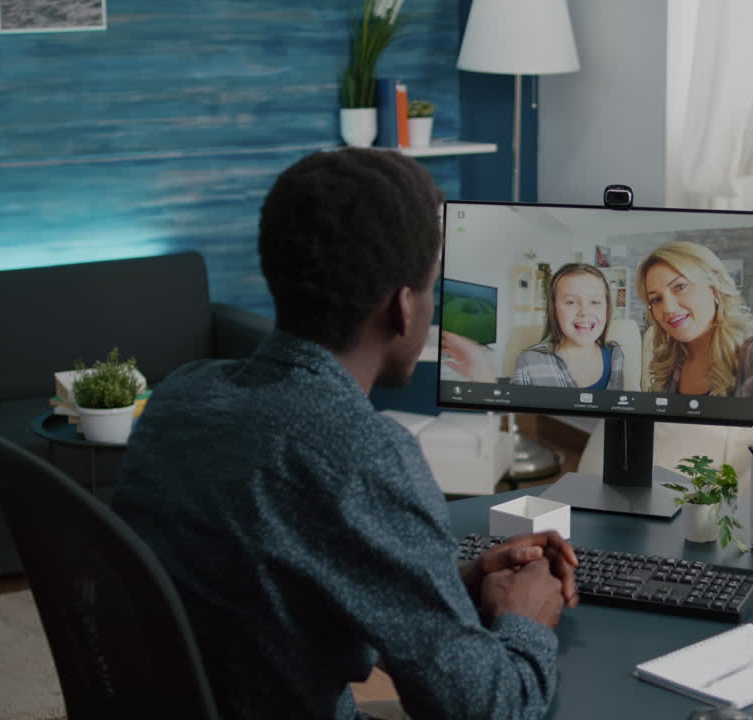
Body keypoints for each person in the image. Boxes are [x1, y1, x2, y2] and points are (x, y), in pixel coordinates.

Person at [111, 148, 578, 720]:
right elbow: (487, 708)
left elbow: (298, 578)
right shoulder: (362, 455)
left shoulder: (182, 396)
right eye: (431, 286)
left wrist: (457, 578)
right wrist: (524, 621)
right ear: (403, 308)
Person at [636, 240, 753, 399]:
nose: (668, 308)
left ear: (714, 288)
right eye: (656, 299)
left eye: (680, 287)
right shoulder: (671, 359)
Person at [442, 263, 626, 390]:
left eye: (595, 301)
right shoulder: (530, 361)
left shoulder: (616, 356)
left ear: (607, 308)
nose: (584, 312)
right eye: (571, 302)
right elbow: (515, 418)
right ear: (554, 311)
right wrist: (483, 375)